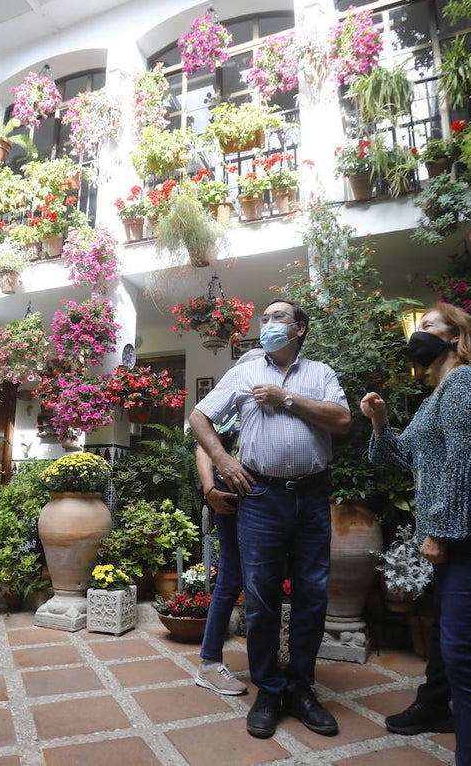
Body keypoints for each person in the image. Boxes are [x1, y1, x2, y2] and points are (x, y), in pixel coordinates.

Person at [362, 302, 471, 765]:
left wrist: (439, 532)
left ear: (456, 337)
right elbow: (395, 460)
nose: (419, 334)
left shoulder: (468, 383)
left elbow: (465, 463)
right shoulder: (439, 394)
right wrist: (379, 422)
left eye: (429, 325)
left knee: (468, 664)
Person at [190, 298, 351, 739]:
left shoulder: (320, 374)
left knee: (312, 595)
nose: (267, 323)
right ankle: (269, 688)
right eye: (264, 317)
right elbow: (200, 416)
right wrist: (223, 461)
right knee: (260, 597)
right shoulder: (244, 371)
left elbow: (341, 420)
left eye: (277, 317)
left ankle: (301, 689)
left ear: (298, 329)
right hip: (260, 496)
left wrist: (287, 399)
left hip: (312, 498)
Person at [192, 346, 266, 696]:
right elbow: (204, 446)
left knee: (260, 578)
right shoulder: (231, 407)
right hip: (233, 500)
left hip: (272, 501)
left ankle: (265, 662)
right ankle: (209, 663)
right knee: (233, 578)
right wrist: (209, 489)